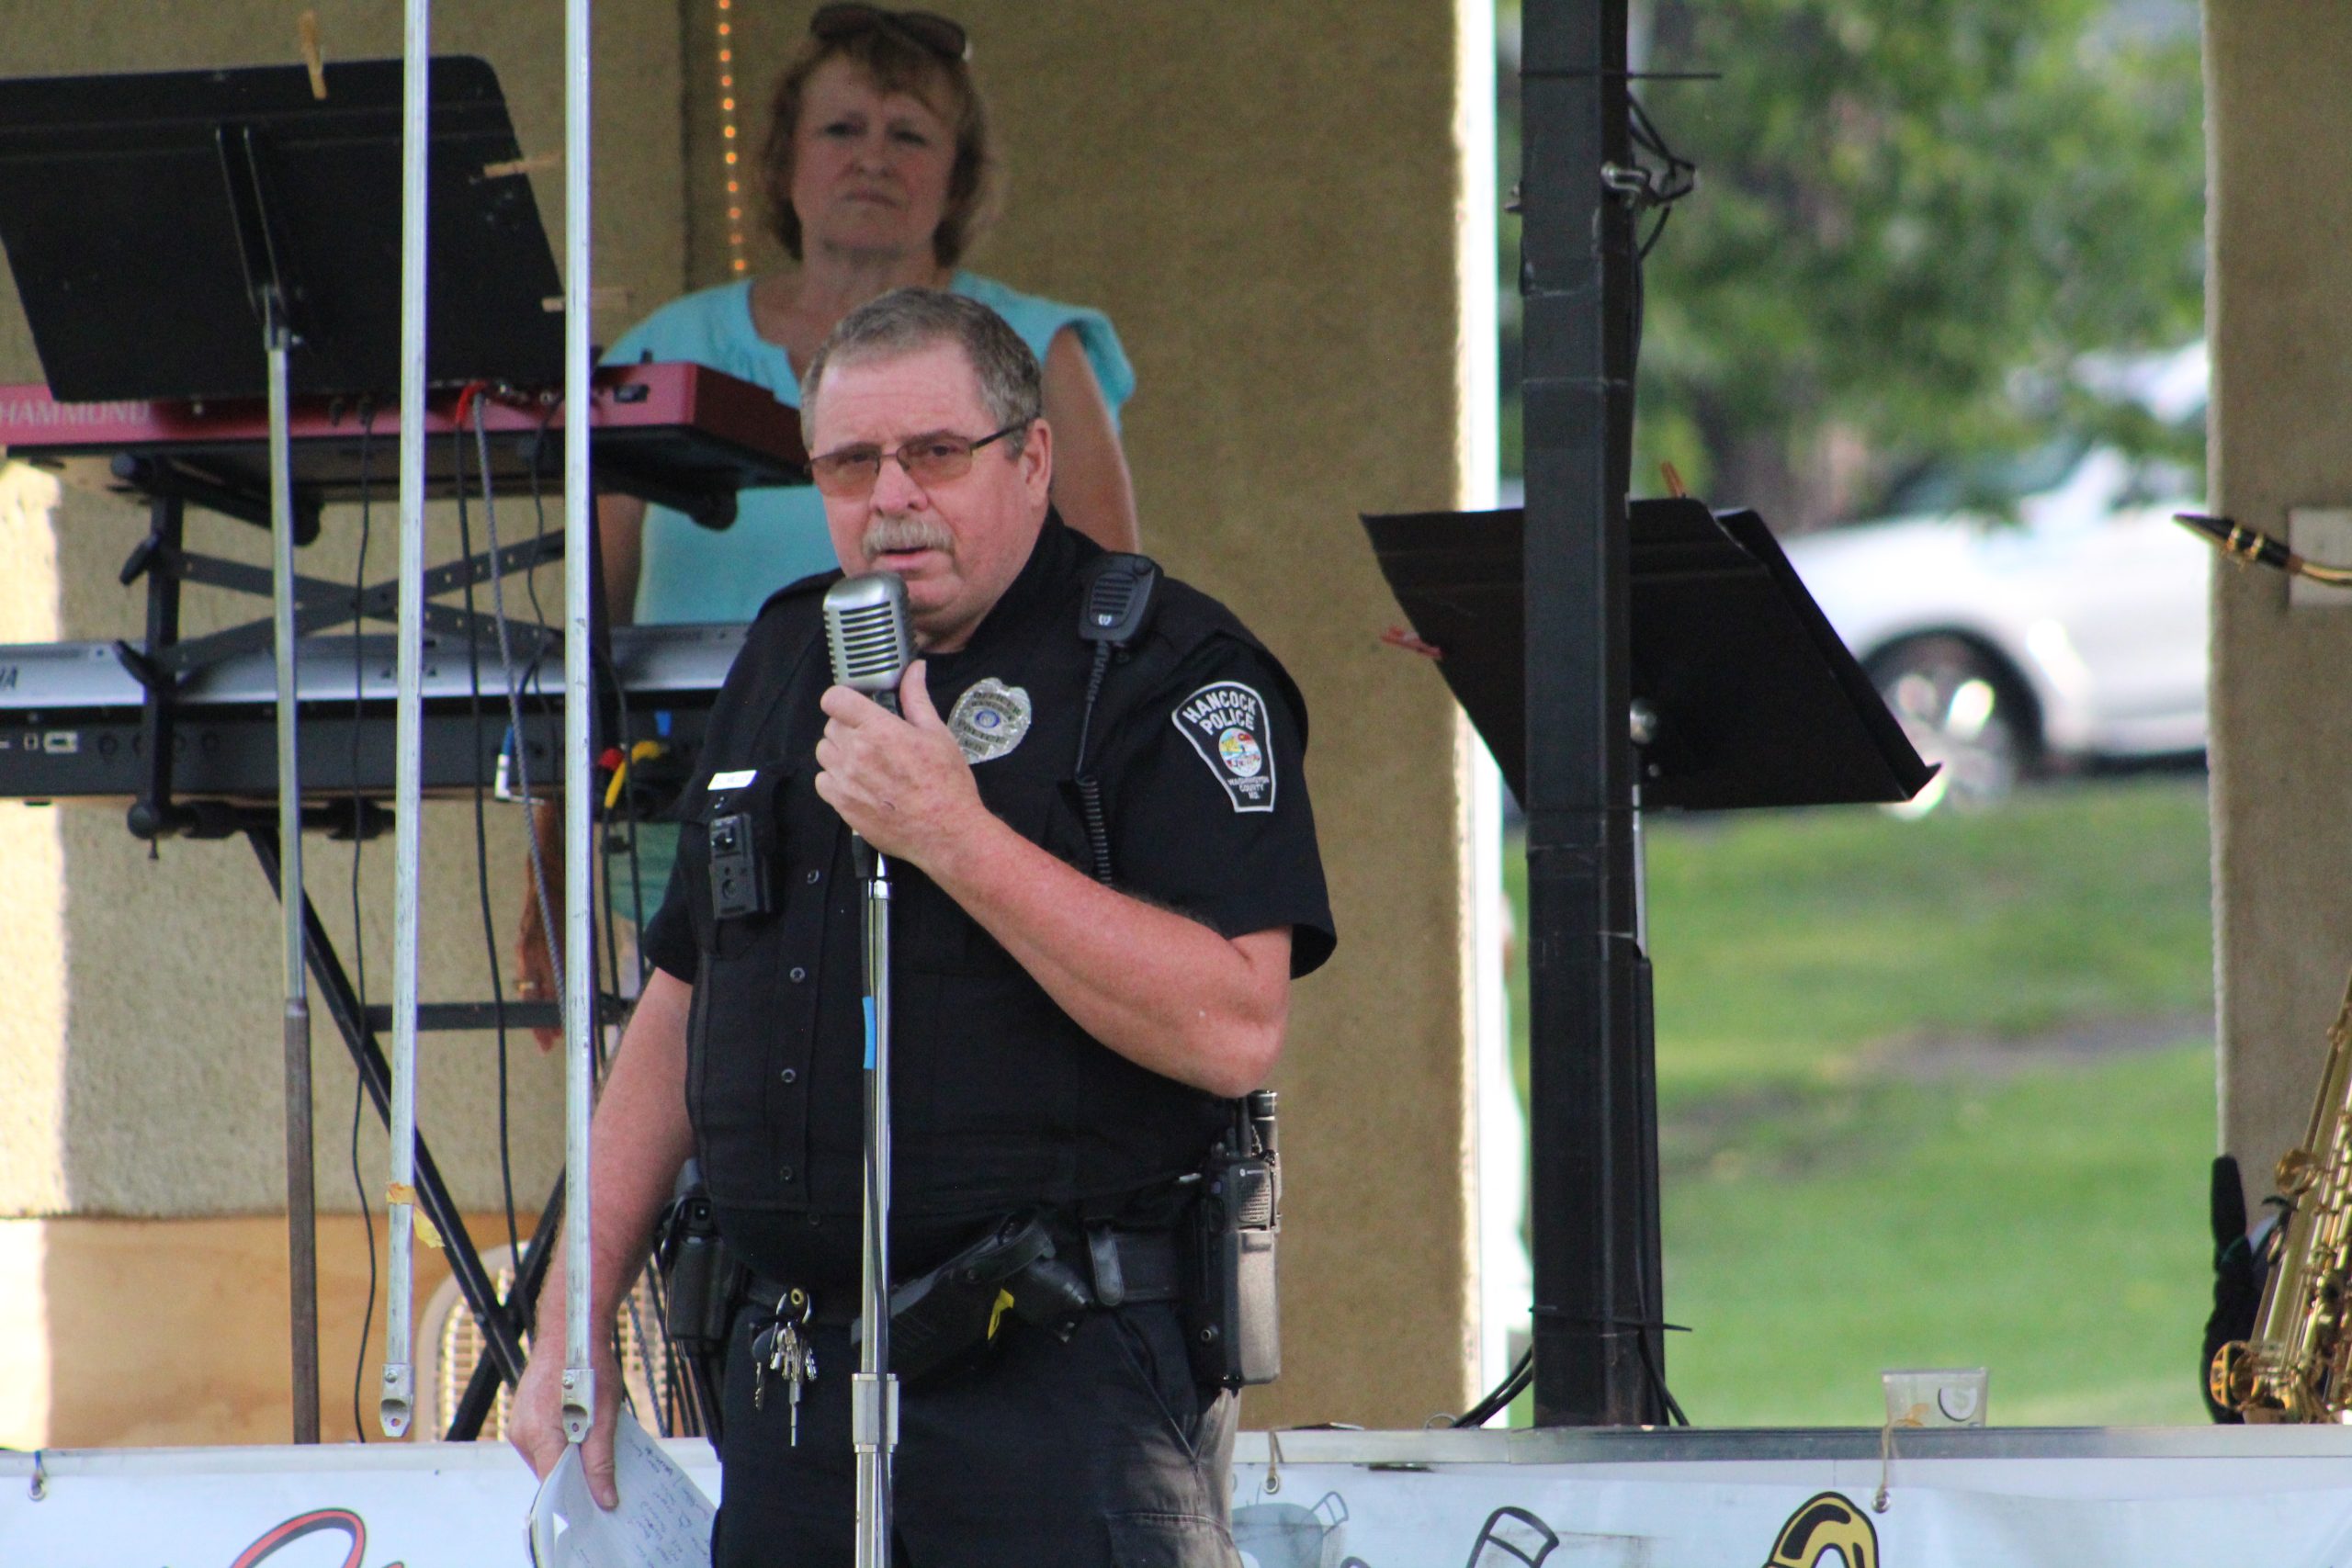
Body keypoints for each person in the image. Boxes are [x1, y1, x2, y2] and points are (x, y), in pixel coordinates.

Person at [509, 288, 1334, 1567]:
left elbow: (1233, 1024)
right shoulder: (788, 650)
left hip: (1063, 1396)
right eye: (851, 463)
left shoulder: (1166, 668)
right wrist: (575, 1315)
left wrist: (956, 835)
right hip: (792, 1390)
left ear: (1033, 457)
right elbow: (683, 999)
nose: (892, 497)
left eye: (937, 453)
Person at [515, 4, 1141, 1031]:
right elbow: (587, 639)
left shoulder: (1037, 349)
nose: (873, 158)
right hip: (687, 860)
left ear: (958, 175)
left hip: (973, 841)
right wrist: (550, 868)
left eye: (911, 134)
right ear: (782, 160)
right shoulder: (663, 353)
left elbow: (1113, 620)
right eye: (842, 128)